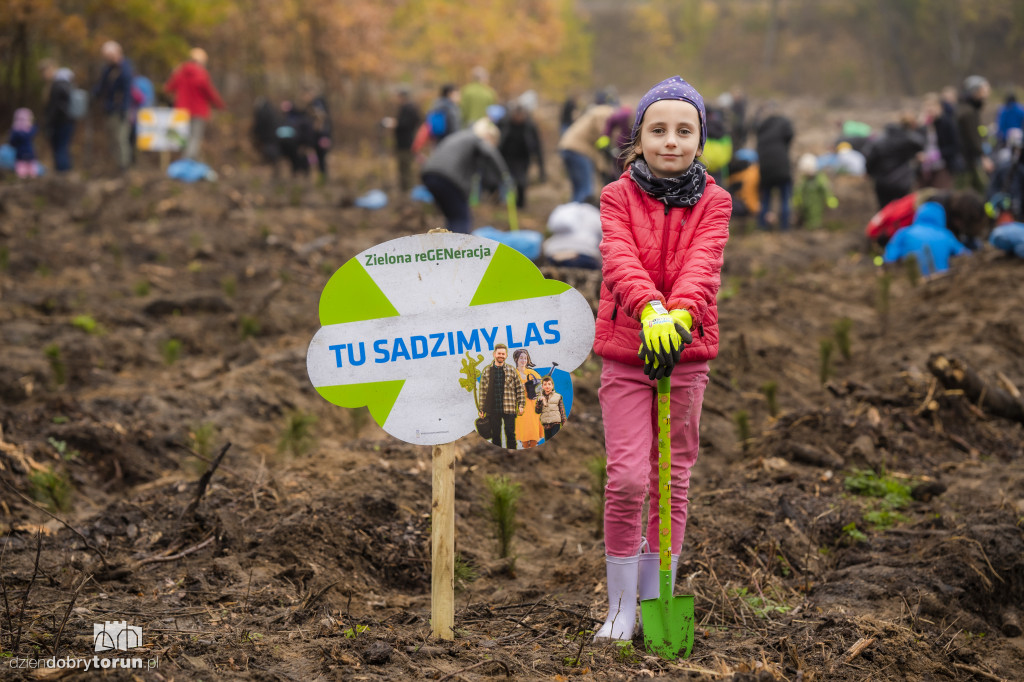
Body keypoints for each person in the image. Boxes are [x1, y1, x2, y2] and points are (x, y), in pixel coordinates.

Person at [592, 75, 730, 642]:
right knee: (628, 478)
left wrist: (677, 317)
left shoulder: (716, 203)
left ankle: (658, 600)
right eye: (658, 129)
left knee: (671, 478)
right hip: (628, 352)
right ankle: (621, 608)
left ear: (700, 139)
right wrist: (650, 311)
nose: (670, 141)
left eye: (683, 130)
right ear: (638, 137)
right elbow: (618, 256)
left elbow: (704, 264)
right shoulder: (615, 196)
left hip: (686, 353)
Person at [420, 118, 512, 234]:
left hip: (430, 174)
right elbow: (490, 153)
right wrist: (504, 176)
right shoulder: (476, 138)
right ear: (488, 136)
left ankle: (447, 247)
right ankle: (459, 249)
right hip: (448, 178)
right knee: (462, 218)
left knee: (453, 216)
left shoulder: (460, 136)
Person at [164, 48, 225, 161]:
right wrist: (220, 104)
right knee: (195, 138)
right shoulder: (201, 74)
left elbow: (168, 88)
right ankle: (188, 163)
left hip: (182, 111)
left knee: (184, 138)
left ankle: (188, 161)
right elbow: (209, 92)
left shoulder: (180, 72)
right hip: (198, 111)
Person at [882, 201, 969, 277]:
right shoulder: (946, 235)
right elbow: (966, 255)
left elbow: (889, 258)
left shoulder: (904, 232)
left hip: (911, 281)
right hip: (941, 281)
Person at [557, 97, 615, 203]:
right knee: (586, 189)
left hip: (568, 147)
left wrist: (604, 167)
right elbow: (603, 136)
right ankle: (581, 216)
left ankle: (572, 214)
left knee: (578, 189)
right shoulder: (604, 113)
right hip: (577, 149)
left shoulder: (599, 111)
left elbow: (597, 145)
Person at [864, 112, 926, 209]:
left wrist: (869, 172)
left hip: (882, 181)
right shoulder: (909, 140)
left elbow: (870, 157)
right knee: (900, 210)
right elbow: (921, 144)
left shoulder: (880, 139)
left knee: (884, 209)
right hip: (902, 180)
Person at [93, 41, 134, 171]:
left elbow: (128, 90)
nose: (108, 59)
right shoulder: (108, 69)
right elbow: (102, 85)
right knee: (113, 138)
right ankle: (116, 164)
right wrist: (94, 94)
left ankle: (124, 166)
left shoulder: (125, 68)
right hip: (110, 108)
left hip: (121, 109)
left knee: (121, 138)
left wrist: (124, 108)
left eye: (109, 56)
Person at [753, 101, 794, 230]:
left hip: (765, 168)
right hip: (782, 166)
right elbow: (790, 135)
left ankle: (762, 226)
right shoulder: (784, 122)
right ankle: (785, 227)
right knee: (785, 198)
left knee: (766, 199)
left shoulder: (762, 127)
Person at [477, 344, 525, 449]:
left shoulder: (511, 370)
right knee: (495, 436)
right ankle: (497, 455)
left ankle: (512, 455)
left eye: (503, 354)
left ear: (506, 356)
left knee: (510, 434)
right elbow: (483, 392)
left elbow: (519, 388)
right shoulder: (487, 371)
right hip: (493, 409)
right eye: (499, 353)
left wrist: (521, 405)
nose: (501, 356)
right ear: (494, 354)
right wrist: (482, 409)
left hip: (509, 408)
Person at [498, 102, 545, 208]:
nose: (518, 118)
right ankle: (503, 202)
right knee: (506, 180)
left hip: (523, 158)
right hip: (506, 157)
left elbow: (537, 145)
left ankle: (520, 204)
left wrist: (541, 168)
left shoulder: (530, 126)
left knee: (521, 182)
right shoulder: (504, 123)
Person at [956, 75, 993, 193]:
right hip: (967, 161)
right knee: (979, 191)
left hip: (967, 160)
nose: (986, 94)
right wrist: (983, 156)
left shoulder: (966, 109)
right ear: (974, 92)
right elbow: (973, 137)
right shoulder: (968, 112)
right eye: (983, 90)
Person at [39, 60, 75, 173]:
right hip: (67, 121)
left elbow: (54, 108)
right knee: (62, 148)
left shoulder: (57, 85)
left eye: (44, 72)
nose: (43, 75)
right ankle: (64, 172)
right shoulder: (64, 82)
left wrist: (49, 123)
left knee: (60, 148)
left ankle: (62, 175)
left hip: (61, 122)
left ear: (51, 69)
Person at [792, 153, 837, 229]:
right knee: (806, 216)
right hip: (805, 204)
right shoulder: (804, 180)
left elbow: (825, 189)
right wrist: (797, 199)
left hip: (816, 204)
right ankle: (808, 227)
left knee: (815, 216)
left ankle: (815, 227)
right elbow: (798, 190)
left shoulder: (820, 179)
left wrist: (830, 199)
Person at [512, 349, 544, 449]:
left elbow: (541, 387)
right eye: (521, 358)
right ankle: (526, 448)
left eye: (525, 358)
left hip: (533, 405)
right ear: (516, 359)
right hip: (521, 406)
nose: (523, 360)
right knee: (524, 434)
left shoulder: (531, 372)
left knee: (534, 433)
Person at [393, 88, 421, 192]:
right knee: (405, 168)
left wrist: (395, 124)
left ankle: (409, 191)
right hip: (407, 141)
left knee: (406, 168)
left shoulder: (407, 108)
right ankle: (407, 191)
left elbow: (405, 124)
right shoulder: (411, 108)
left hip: (405, 142)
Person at [301, 84, 332, 181]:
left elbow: (321, 118)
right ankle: (319, 178)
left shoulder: (316, 104)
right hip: (317, 137)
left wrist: (318, 131)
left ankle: (322, 179)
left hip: (319, 137)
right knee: (315, 158)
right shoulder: (313, 104)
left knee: (320, 158)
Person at [251, 97, 281, 172]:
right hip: (274, 134)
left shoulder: (262, 111)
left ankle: (273, 166)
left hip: (267, 135)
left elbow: (259, 124)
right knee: (273, 150)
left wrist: (256, 132)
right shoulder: (272, 109)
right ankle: (275, 166)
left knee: (270, 150)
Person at [8, 109, 39, 179]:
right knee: (32, 169)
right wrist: (36, 125)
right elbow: (35, 131)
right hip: (30, 153)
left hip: (20, 154)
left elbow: (12, 142)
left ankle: (22, 179)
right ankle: (32, 179)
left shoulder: (15, 131)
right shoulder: (30, 130)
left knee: (21, 170)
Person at [535, 375, 566, 441]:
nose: (547, 386)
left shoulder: (557, 396)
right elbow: (537, 411)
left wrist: (564, 423)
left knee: (555, 441)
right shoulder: (540, 397)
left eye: (549, 384)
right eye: (545, 384)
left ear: (552, 386)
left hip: (555, 423)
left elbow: (562, 411)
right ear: (542, 386)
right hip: (546, 424)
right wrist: (540, 402)